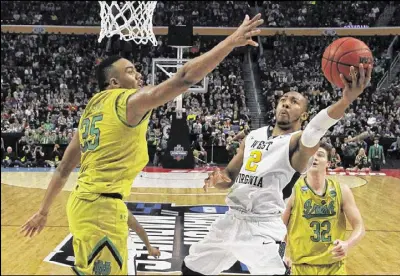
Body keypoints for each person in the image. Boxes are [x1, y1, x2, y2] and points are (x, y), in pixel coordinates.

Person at [20, 14, 265, 275]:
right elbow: (183, 79)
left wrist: (44, 211)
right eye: (130, 71)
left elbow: (64, 168)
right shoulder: (124, 101)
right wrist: (229, 42)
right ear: (113, 83)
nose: (137, 75)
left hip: (81, 205)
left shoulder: (90, 111)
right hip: (102, 209)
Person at [181, 64, 372, 275]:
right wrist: (219, 179)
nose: (286, 104)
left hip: (263, 227)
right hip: (231, 219)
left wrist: (345, 100)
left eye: (294, 102)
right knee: (191, 268)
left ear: (304, 114)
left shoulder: (297, 143)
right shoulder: (253, 136)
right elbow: (230, 175)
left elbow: (316, 128)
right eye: (283, 100)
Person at [282, 143, 365, 275]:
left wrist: (348, 244)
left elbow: (359, 226)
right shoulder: (293, 191)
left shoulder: (342, 190)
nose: (314, 158)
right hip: (301, 266)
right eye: (311, 155)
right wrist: (282, 254)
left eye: (320, 155)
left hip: (334, 266)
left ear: (328, 162)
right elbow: (279, 228)